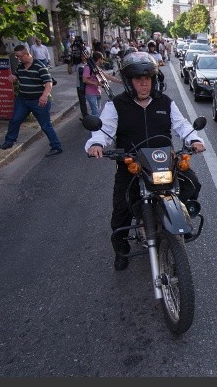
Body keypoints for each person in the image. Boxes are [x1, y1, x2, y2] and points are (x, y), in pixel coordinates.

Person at [84, 51, 206, 271]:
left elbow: (182, 125)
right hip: (132, 165)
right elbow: (104, 129)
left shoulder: (165, 102)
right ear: (129, 81)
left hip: (164, 161)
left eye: (148, 78)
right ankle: (120, 248)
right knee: (121, 209)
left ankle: (181, 217)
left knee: (192, 183)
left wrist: (194, 139)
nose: (144, 83)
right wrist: (97, 144)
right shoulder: (116, 105)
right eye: (138, 79)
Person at [0, 44, 63, 157]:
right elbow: (18, 76)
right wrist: (14, 78)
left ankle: (56, 146)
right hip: (23, 100)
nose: (18, 59)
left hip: (38, 101)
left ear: (27, 54)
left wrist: (44, 96)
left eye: (19, 56)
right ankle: (9, 141)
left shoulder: (39, 66)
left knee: (45, 125)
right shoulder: (20, 66)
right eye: (16, 56)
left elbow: (49, 83)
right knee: (15, 120)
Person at [82, 51, 122, 116]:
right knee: (95, 112)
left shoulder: (97, 68)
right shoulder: (88, 67)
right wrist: (96, 83)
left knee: (98, 111)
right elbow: (84, 80)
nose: (103, 61)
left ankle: (94, 121)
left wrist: (120, 81)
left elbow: (108, 76)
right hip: (90, 93)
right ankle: (93, 122)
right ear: (99, 59)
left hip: (98, 92)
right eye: (102, 59)